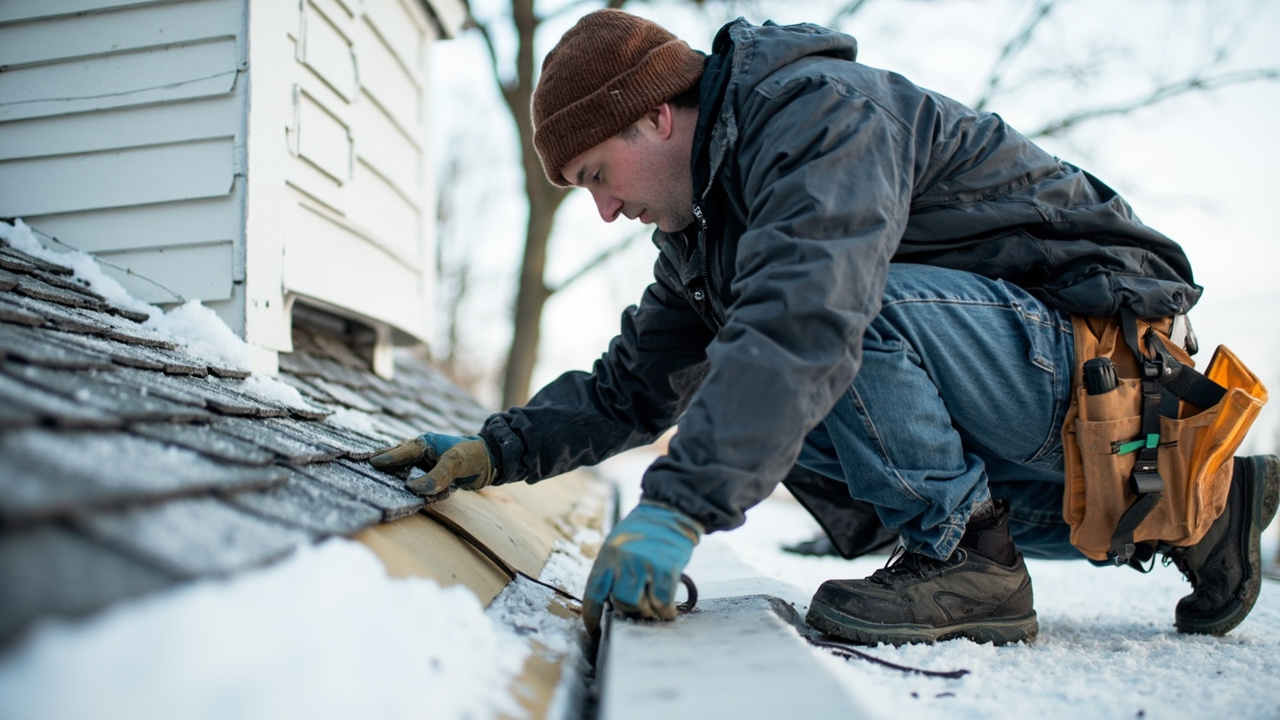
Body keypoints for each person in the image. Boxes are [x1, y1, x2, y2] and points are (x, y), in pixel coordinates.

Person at [371, 10, 1278, 645]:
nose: (604, 210)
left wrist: (675, 511)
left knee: (838, 312)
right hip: (1057, 394)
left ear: (654, 112)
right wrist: (499, 448)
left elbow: (809, 312)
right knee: (786, 390)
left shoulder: (815, 116)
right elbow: (633, 387)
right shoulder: (706, 237)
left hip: (1105, 354)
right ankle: (1206, 517)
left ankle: (968, 558)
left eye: (597, 174)